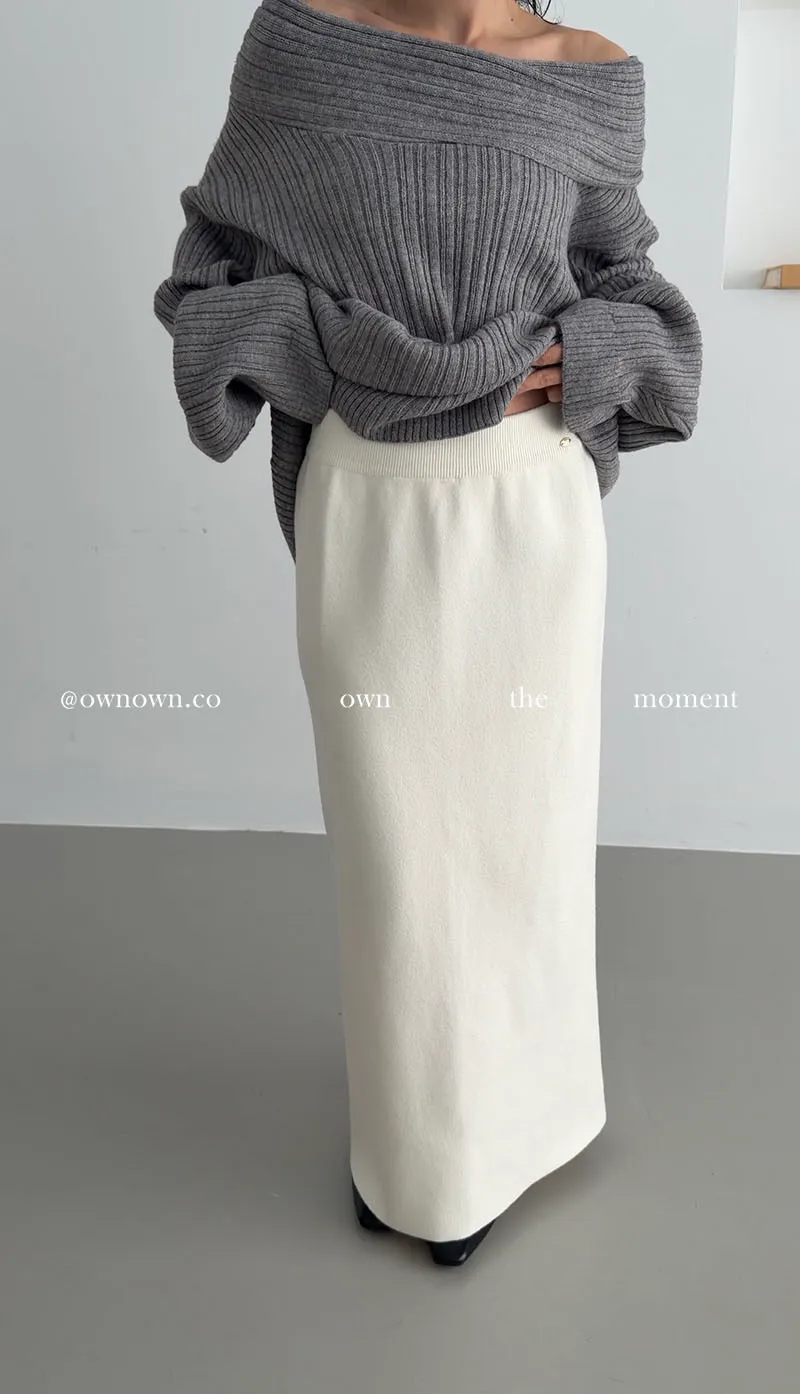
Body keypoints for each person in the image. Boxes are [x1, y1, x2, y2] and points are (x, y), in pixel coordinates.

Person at [153, 0, 703, 1267]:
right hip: (373, 504)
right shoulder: (300, 40)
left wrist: (581, 351)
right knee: (400, 855)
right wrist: (331, 353)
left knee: (526, 836)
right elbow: (207, 272)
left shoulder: (588, 75)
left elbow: (632, 289)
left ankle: (533, 1117)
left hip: (529, 506)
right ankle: (422, 1158)